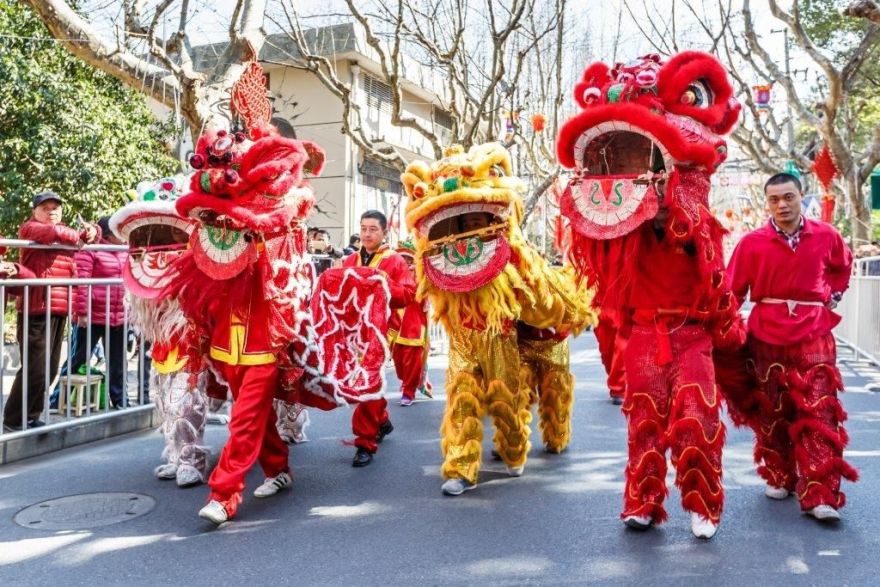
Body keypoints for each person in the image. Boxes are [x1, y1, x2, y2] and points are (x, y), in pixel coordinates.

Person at [727, 172, 857, 522]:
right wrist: (718, 330)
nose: (782, 205)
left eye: (789, 197)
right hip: (766, 338)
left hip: (814, 335)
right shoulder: (751, 243)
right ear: (766, 202)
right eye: (774, 199)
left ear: (802, 197)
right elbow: (731, 292)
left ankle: (820, 493)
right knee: (773, 411)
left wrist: (834, 294)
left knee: (820, 410)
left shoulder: (827, 235)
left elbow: (843, 266)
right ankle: (781, 474)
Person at [3, 191, 99, 431]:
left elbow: (86, 246)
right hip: (36, 307)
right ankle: (14, 419)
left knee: (51, 368)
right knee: (35, 368)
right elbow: (52, 233)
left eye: (56, 207)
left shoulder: (66, 235)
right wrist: (78, 236)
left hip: (59, 308)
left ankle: (31, 416)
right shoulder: (30, 228)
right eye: (46, 207)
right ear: (35, 211)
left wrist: (91, 232)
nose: (52, 211)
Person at [342, 210, 414, 466]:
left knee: (368, 382)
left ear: (384, 232)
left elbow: (407, 295)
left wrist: (383, 282)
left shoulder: (395, 262)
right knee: (356, 383)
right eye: (363, 229)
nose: (367, 234)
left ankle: (364, 442)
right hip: (354, 332)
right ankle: (381, 420)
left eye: (373, 229)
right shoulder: (349, 260)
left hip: (382, 332)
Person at [62, 216, 127, 409]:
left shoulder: (125, 251)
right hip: (93, 316)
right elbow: (82, 282)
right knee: (78, 358)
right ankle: (58, 398)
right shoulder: (91, 250)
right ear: (108, 232)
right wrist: (82, 313)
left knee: (117, 362)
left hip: (118, 316)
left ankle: (120, 400)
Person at [390, 242, 432, 406]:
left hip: (414, 324)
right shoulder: (392, 274)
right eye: (402, 259)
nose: (405, 262)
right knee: (398, 361)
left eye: (408, 259)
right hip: (395, 324)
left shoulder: (421, 275)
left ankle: (409, 390)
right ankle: (409, 381)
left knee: (412, 359)